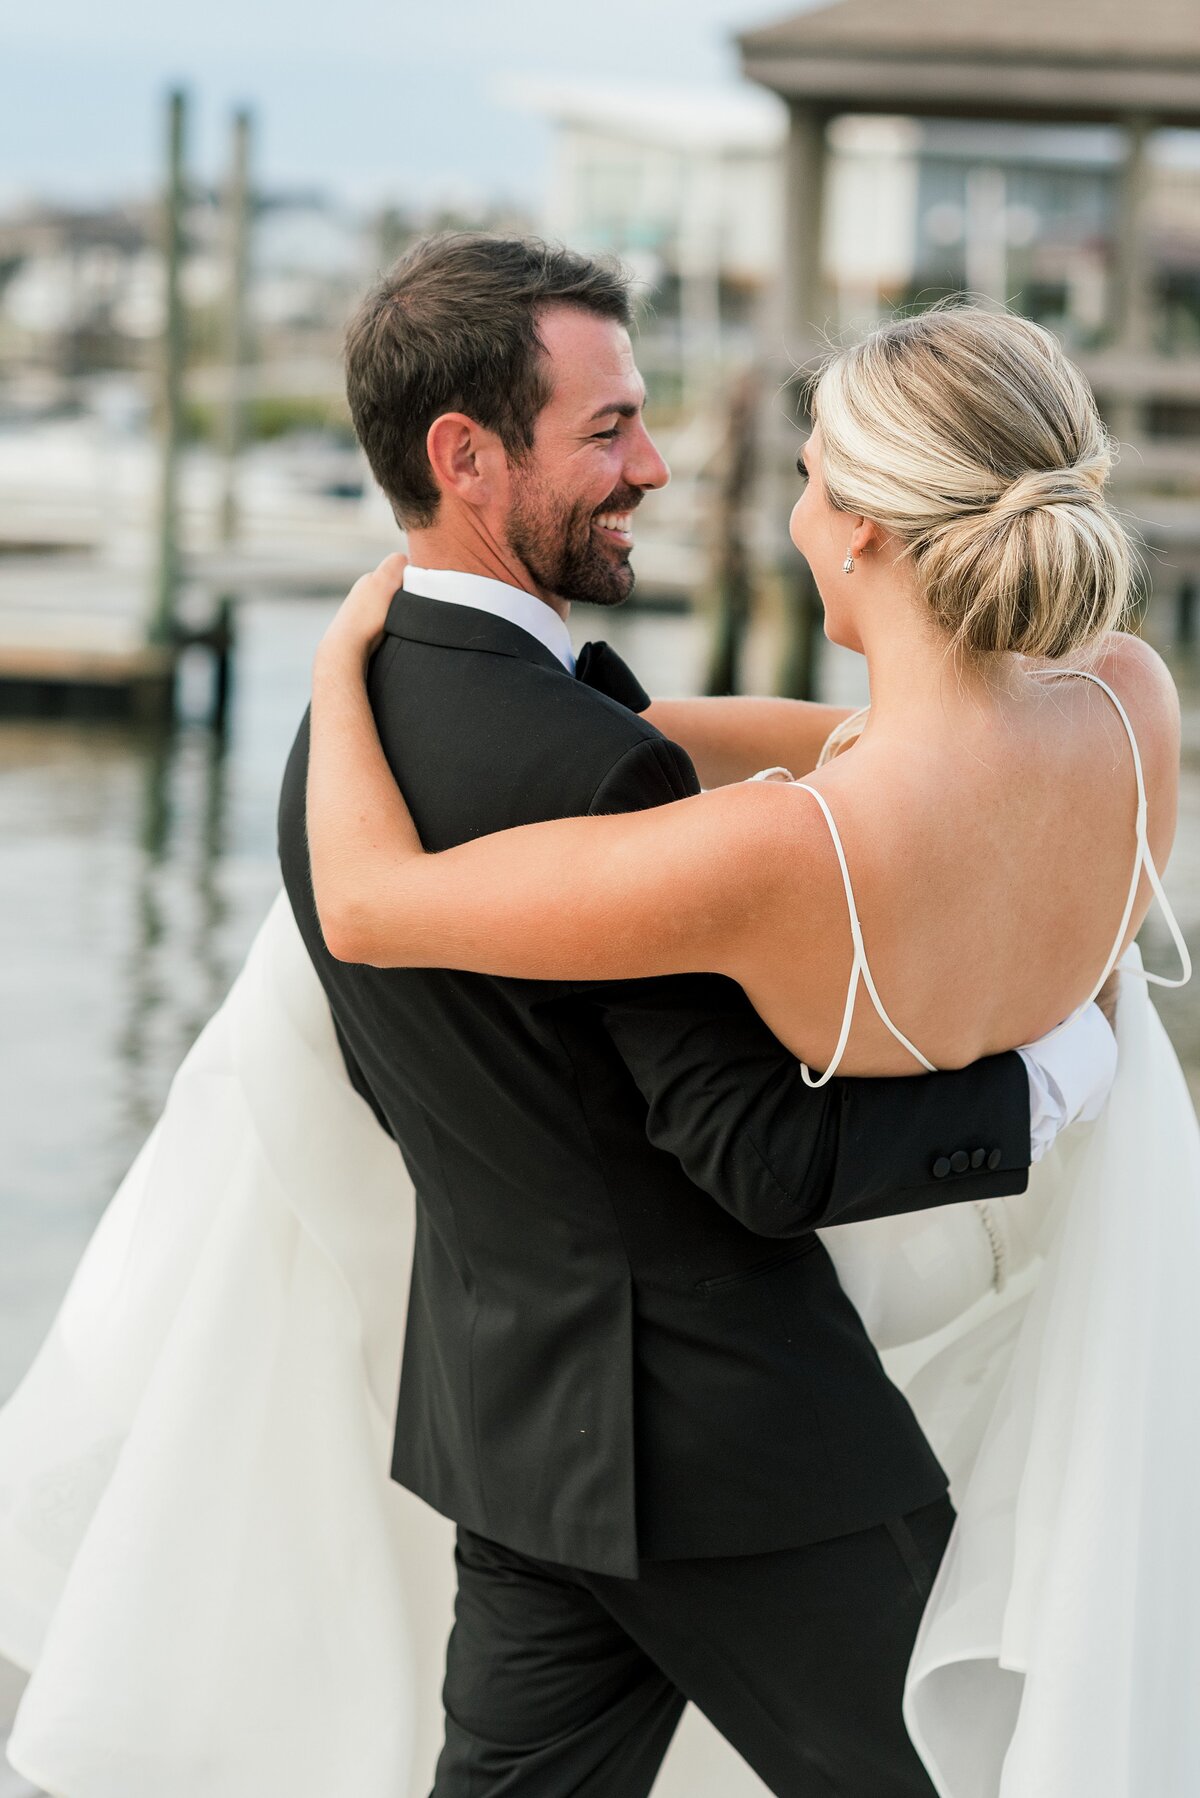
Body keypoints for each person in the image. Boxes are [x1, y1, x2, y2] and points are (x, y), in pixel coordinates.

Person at [0, 239, 1166, 1798]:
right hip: (727, 1445)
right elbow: (758, 1151)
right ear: (465, 456)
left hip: (519, 1422)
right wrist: (1063, 1070)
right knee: (974, 1769)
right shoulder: (595, 774)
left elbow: (445, 908)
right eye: (608, 428)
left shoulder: (387, 728)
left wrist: (341, 672)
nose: (661, 463)